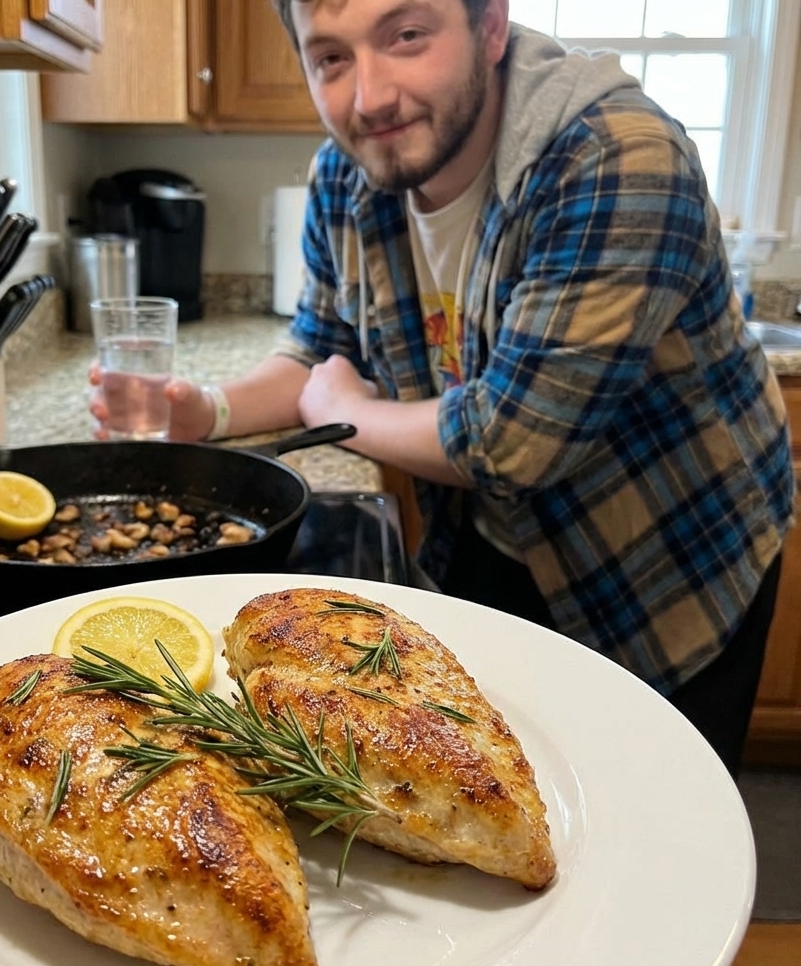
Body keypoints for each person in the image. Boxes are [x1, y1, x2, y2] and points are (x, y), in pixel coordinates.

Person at [91, 0, 795, 778]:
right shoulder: (348, 175)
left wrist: (349, 416)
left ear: (490, 28)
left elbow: (513, 442)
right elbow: (319, 352)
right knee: (493, 787)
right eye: (331, 58)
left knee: (655, 821)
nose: (370, 97)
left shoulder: (618, 158)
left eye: (406, 36)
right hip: (491, 535)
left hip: (665, 564)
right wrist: (206, 410)